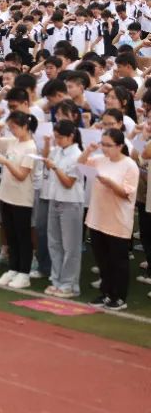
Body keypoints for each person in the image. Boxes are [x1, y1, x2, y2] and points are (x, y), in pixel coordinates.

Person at [79, 128, 140, 310]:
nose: (105, 149)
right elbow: (79, 165)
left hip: (117, 220)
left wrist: (110, 183)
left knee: (118, 261)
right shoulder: (99, 160)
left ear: (120, 146)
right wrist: (88, 150)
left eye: (109, 145)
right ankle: (105, 292)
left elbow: (126, 193)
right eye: (103, 144)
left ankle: (119, 296)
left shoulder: (130, 165)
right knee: (102, 259)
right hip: (97, 217)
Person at [0, 111, 38, 289]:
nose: (11, 130)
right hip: (6, 194)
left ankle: (24, 273)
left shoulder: (31, 148)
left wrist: (6, 162)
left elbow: (21, 175)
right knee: (11, 235)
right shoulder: (13, 141)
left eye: (14, 127)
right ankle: (13, 268)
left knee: (22, 236)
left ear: (25, 127)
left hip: (22, 198)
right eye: (10, 127)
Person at [42, 120, 84, 298]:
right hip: (55, 199)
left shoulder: (77, 155)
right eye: (55, 136)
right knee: (55, 243)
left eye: (60, 137)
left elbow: (68, 182)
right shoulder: (57, 150)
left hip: (71, 202)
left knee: (71, 246)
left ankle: (70, 284)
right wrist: (46, 145)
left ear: (71, 137)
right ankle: (57, 279)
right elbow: (46, 163)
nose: (57, 140)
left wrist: (55, 167)